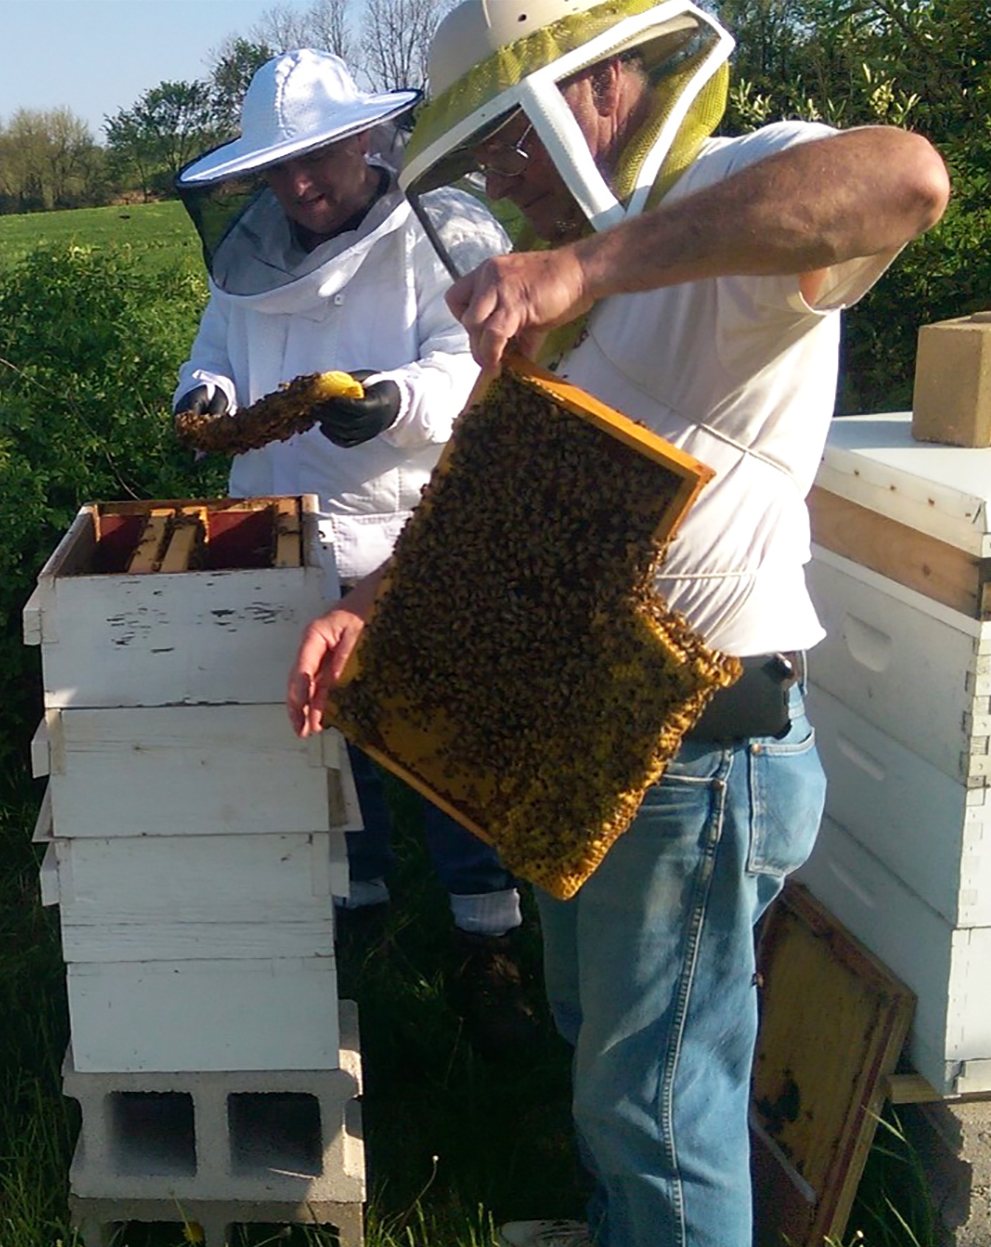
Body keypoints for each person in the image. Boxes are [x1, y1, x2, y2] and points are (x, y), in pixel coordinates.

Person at [286, 2, 950, 1244]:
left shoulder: (729, 186)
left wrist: (586, 265)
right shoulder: (572, 282)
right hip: (590, 732)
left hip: (697, 739)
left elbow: (908, 178)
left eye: (510, 139)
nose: (498, 177)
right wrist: (372, 607)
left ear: (597, 89)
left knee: (658, 1090)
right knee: (600, 1032)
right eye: (477, 155)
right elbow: (492, 483)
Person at [172, 47, 538, 1056]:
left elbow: (480, 367)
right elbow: (213, 351)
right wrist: (201, 396)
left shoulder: (439, 229)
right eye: (279, 169)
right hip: (283, 531)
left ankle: (487, 939)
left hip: (409, 529)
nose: (298, 184)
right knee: (322, 729)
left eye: (318, 159)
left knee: (438, 736)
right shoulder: (250, 250)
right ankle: (360, 898)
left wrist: (392, 401)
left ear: (367, 140)